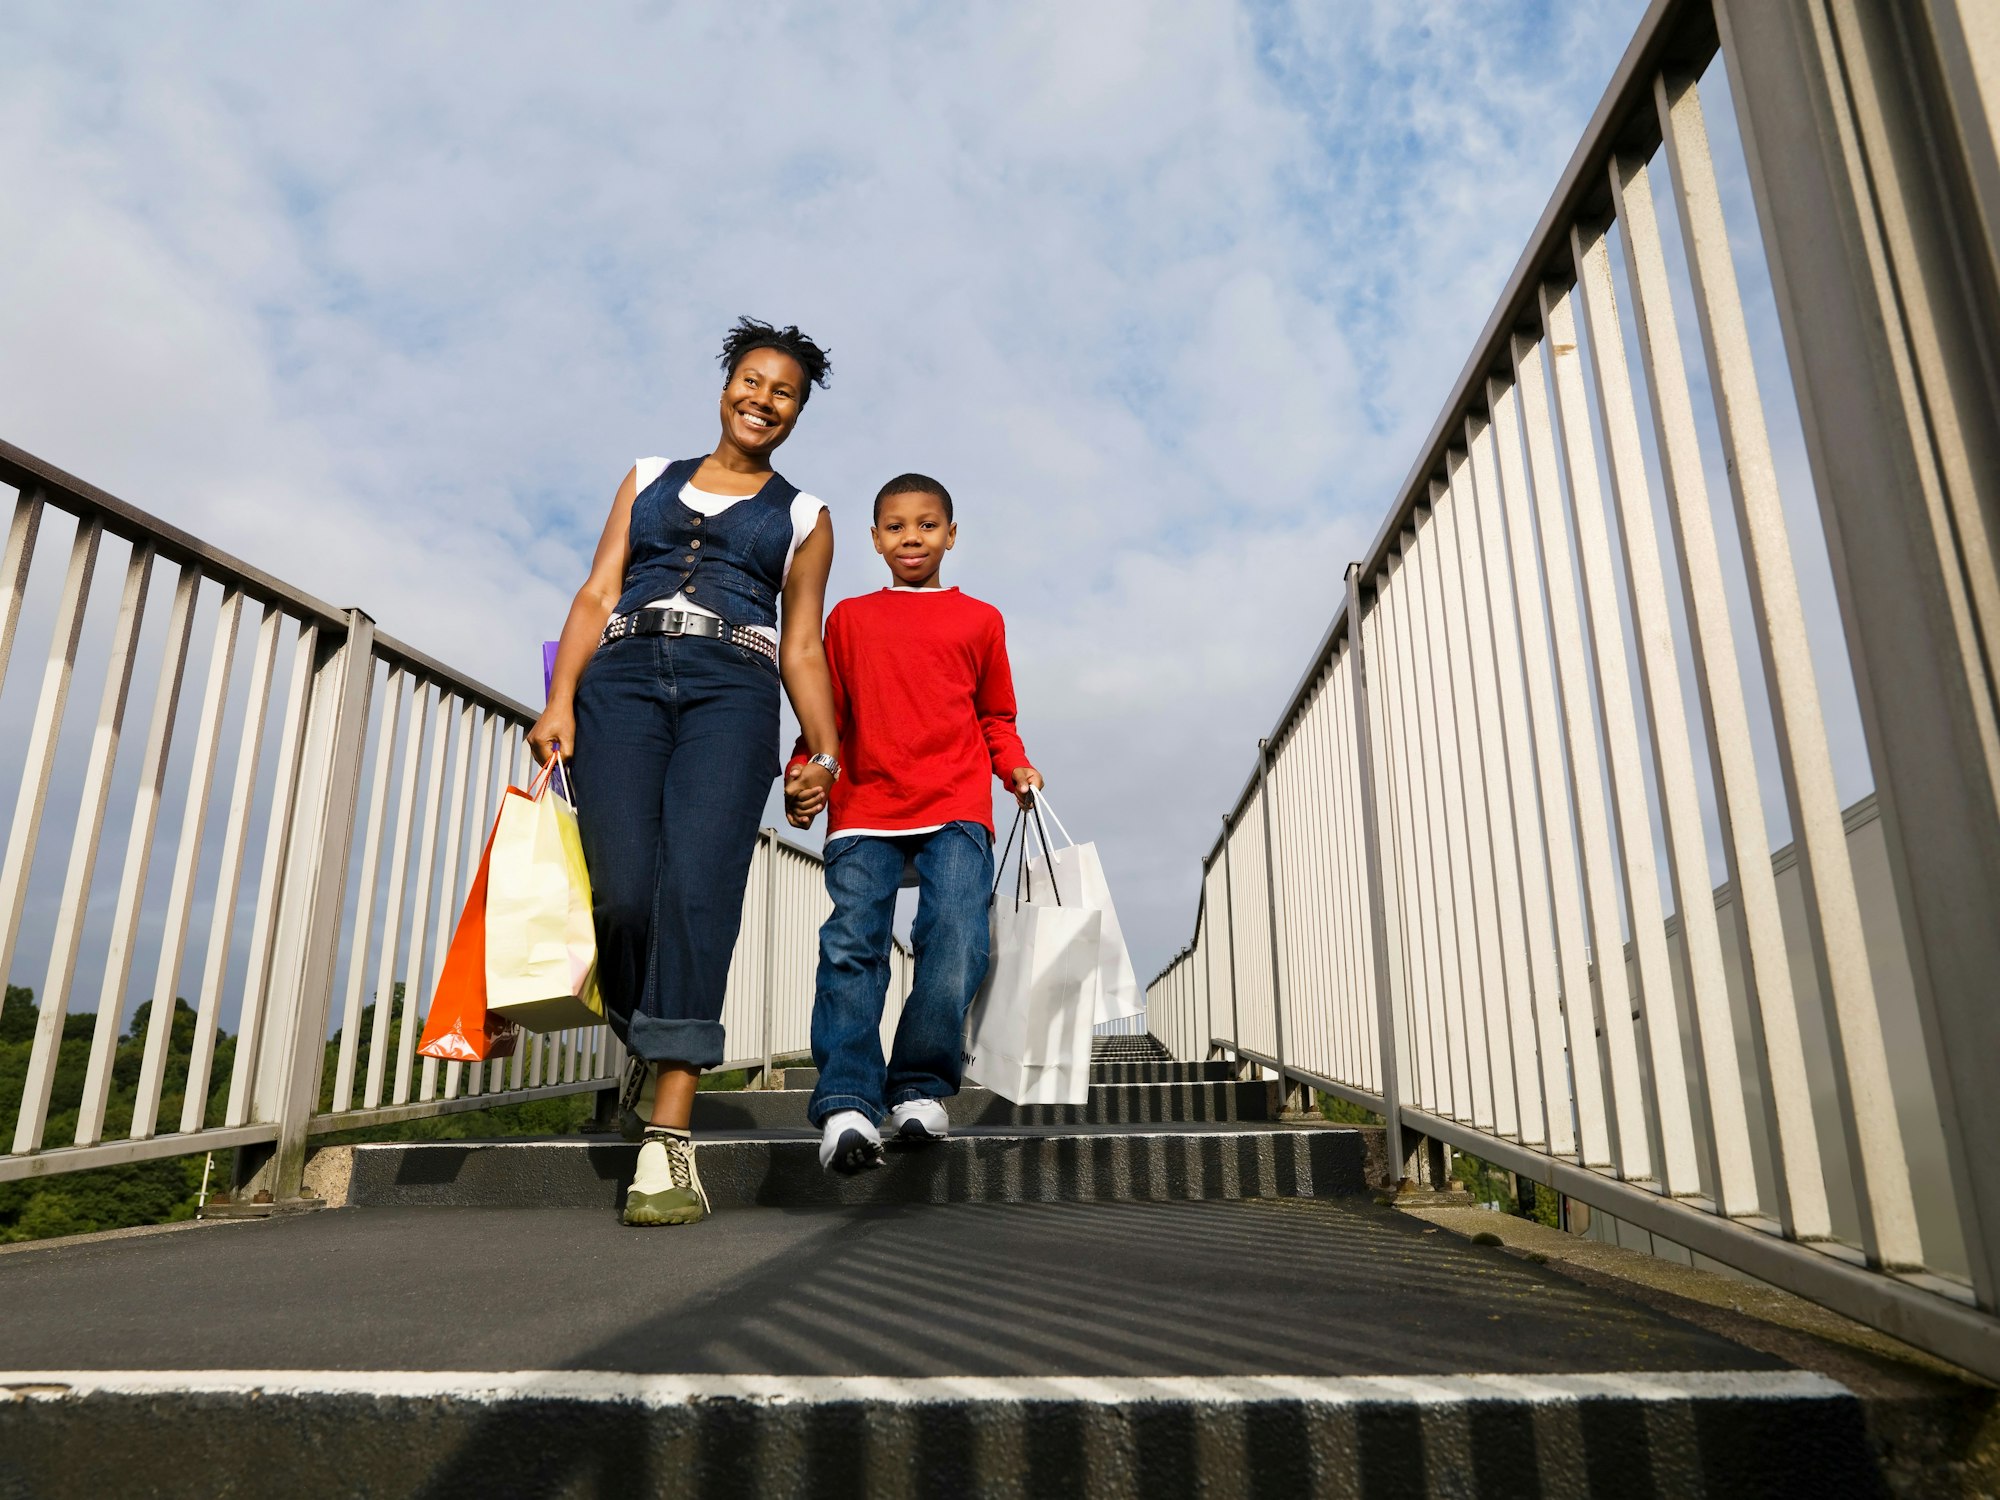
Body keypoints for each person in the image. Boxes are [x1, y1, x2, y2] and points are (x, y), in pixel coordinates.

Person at [531, 318, 843, 1227]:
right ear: (725, 386)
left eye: (783, 392)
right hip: (621, 680)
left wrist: (821, 754)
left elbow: (805, 648)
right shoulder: (645, 479)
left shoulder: (804, 517)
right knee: (624, 892)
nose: (763, 399)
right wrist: (559, 701)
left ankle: (668, 1146)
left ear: (797, 412)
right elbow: (597, 592)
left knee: (700, 893)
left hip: (733, 693)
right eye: (752, 381)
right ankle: (644, 1029)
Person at [783, 473, 1042, 1173]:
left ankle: (920, 1089)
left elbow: (995, 715)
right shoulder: (849, 620)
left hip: (955, 801)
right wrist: (801, 770)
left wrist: (1013, 766)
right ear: (874, 540)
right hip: (864, 803)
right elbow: (823, 712)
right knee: (852, 947)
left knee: (956, 937)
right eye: (895, 526)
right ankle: (846, 1104)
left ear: (951, 535)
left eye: (927, 525)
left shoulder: (980, 620)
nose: (911, 538)